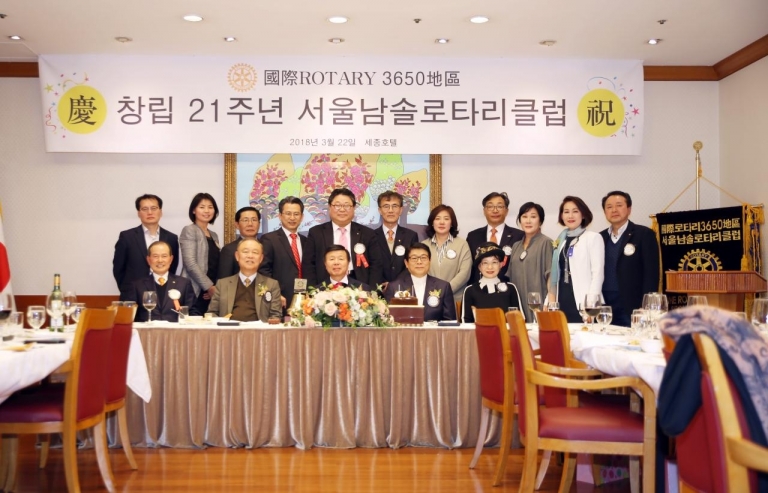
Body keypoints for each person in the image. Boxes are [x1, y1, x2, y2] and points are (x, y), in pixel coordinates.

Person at [600, 191, 660, 327]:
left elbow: (651, 273)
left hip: (632, 305)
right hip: (605, 305)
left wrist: (646, 306)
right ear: (605, 212)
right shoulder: (600, 237)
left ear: (629, 209)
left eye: (619, 205)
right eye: (609, 207)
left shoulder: (644, 234)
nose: (614, 210)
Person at [308, 188, 383, 288]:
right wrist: (314, 291)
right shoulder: (316, 233)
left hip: (360, 285)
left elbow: (376, 265)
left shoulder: (367, 233)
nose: (342, 209)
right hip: (325, 285)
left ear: (354, 208)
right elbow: (309, 265)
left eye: (347, 205)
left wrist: (371, 291)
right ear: (329, 207)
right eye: (337, 205)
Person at [549, 196, 605, 323]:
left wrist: (591, 306)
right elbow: (555, 275)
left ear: (583, 214)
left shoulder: (593, 238)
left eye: (575, 211)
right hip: (562, 300)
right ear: (561, 216)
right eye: (566, 212)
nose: (570, 216)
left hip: (583, 303)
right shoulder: (560, 240)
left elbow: (597, 274)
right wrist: (550, 302)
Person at [113, 194, 179, 301]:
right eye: (144, 209)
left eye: (154, 208)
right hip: (132, 296)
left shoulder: (171, 238)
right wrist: (127, 290)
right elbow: (118, 268)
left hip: (163, 295)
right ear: (138, 213)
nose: (150, 212)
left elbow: (172, 266)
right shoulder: (127, 237)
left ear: (160, 212)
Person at [259, 196, 315, 312]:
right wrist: (274, 293)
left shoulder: (306, 241)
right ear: (280, 216)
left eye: (296, 214)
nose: (292, 218)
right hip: (280, 299)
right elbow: (263, 270)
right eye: (288, 213)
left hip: (305, 301)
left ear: (302, 217)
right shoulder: (269, 239)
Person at [208, 239, 282, 322]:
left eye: (255, 252)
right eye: (245, 252)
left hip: (259, 329)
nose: (250, 256)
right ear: (237, 256)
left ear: (261, 258)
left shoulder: (272, 284)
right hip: (230, 328)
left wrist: (273, 321)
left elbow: (276, 315)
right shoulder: (222, 284)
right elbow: (212, 313)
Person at [126, 241, 197, 322]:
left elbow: (193, 313)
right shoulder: (137, 285)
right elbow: (129, 315)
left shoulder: (184, 283)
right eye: (155, 256)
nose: (160, 260)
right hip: (147, 329)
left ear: (171, 259)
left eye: (164, 256)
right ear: (148, 260)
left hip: (175, 329)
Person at [507, 202, 555, 322]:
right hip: (518, 304)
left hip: (538, 304)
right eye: (524, 216)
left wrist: (550, 302)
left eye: (533, 217)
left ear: (540, 221)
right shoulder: (516, 246)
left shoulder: (546, 243)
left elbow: (551, 275)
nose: (528, 221)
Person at [384, 244, 456, 321]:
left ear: (430, 261)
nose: (419, 262)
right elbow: (387, 320)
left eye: (423, 258)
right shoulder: (393, 287)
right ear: (406, 263)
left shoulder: (443, 287)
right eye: (414, 258)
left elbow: (450, 322)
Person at [466, 192, 524, 286]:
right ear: (484, 211)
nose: (495, 210)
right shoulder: (473, 236)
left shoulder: (519, 236)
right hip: (479, 289)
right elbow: (470, 268)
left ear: (506, 211)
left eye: (500, 206)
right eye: (490, 206)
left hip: (508, 288)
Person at [180, 193, 221, 315]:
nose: (207, 211)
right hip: (195, 289)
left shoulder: (214, 235)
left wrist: (213, 288)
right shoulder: (189, 230)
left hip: (210, 292)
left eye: (210, 207)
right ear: (194, 210)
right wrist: (209, 287)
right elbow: (190, 263)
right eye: (202, 207)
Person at [462, 242, 523, 323]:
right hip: (479, 331)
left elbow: (519, 319)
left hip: (506, 331)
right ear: (479, 267)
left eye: (494, 262)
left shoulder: (511, 288)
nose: (490, 267)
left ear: (501, 265)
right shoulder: (470, 290)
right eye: (485, 263)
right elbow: (466, 322)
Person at [422, 204, 472, 302]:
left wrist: (445, 291)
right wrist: (433, 294)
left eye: (446, 219)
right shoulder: (423, 245)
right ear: (432, 222)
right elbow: (419, 271)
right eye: (437, 218)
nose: (442, 222)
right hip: (429, 298)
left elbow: (464, 273)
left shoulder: (462, 244)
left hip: (455, 299)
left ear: (452, 223)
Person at [373, 191, 419, 292]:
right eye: (386, 206)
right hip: (378, 289)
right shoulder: (371, 236)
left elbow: (412, 263)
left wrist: (395, 284)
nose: (390, 210)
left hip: (404, 289)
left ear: (401, 210)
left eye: (395, 206)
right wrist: (381, 283)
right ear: (379, 210)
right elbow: (371, 264)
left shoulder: (411, 236)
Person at [218, 206, 260, 280]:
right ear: (237, 225)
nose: (250, 224)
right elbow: (224, 280)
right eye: (245, 220)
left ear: (259, 224)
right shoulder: (229, 250)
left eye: (254, 220)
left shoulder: (266, 246)